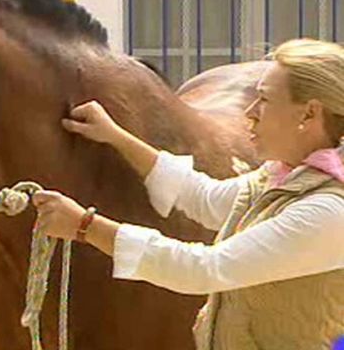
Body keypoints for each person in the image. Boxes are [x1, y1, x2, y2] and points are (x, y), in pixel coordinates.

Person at [32, 38, 344, 350]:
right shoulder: (281, 177)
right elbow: (205, 198)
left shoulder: (327, 212)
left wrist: (86, 227)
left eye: (264, 99)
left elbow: (204, 268)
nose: (250, 112)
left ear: (309, 114)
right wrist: (117, 137)